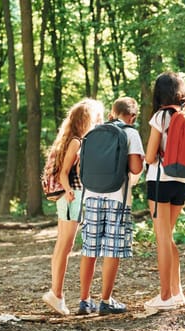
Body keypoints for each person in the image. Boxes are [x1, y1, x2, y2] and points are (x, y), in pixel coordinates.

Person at [77, 97, 145, 315]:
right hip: (118, 196)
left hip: (92, 196)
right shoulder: (131, 133)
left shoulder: (93, 133)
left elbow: (82, 167)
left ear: (111, 114)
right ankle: (106, 301)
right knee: (111, 249)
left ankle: (85, 301)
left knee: (90, 249)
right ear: (132, 117)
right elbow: (135, 169)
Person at [43, 98, 105, 316]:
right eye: (97, 118)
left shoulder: (73, 140)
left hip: (71, 197)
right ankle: (56, 293)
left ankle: (56, 293)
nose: (100, 121)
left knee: (63, 245)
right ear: (87, 120)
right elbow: (64, 172)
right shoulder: (77, 142)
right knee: (65, 245)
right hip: (72, 197)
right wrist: (69, 190)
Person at [143, 72, 185, 311]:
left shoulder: (161, 116)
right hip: (182, 182)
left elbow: (151, 156)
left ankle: (164, 297)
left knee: (162, 239)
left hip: (160, 181)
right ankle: (177, 292)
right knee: (169, 237)